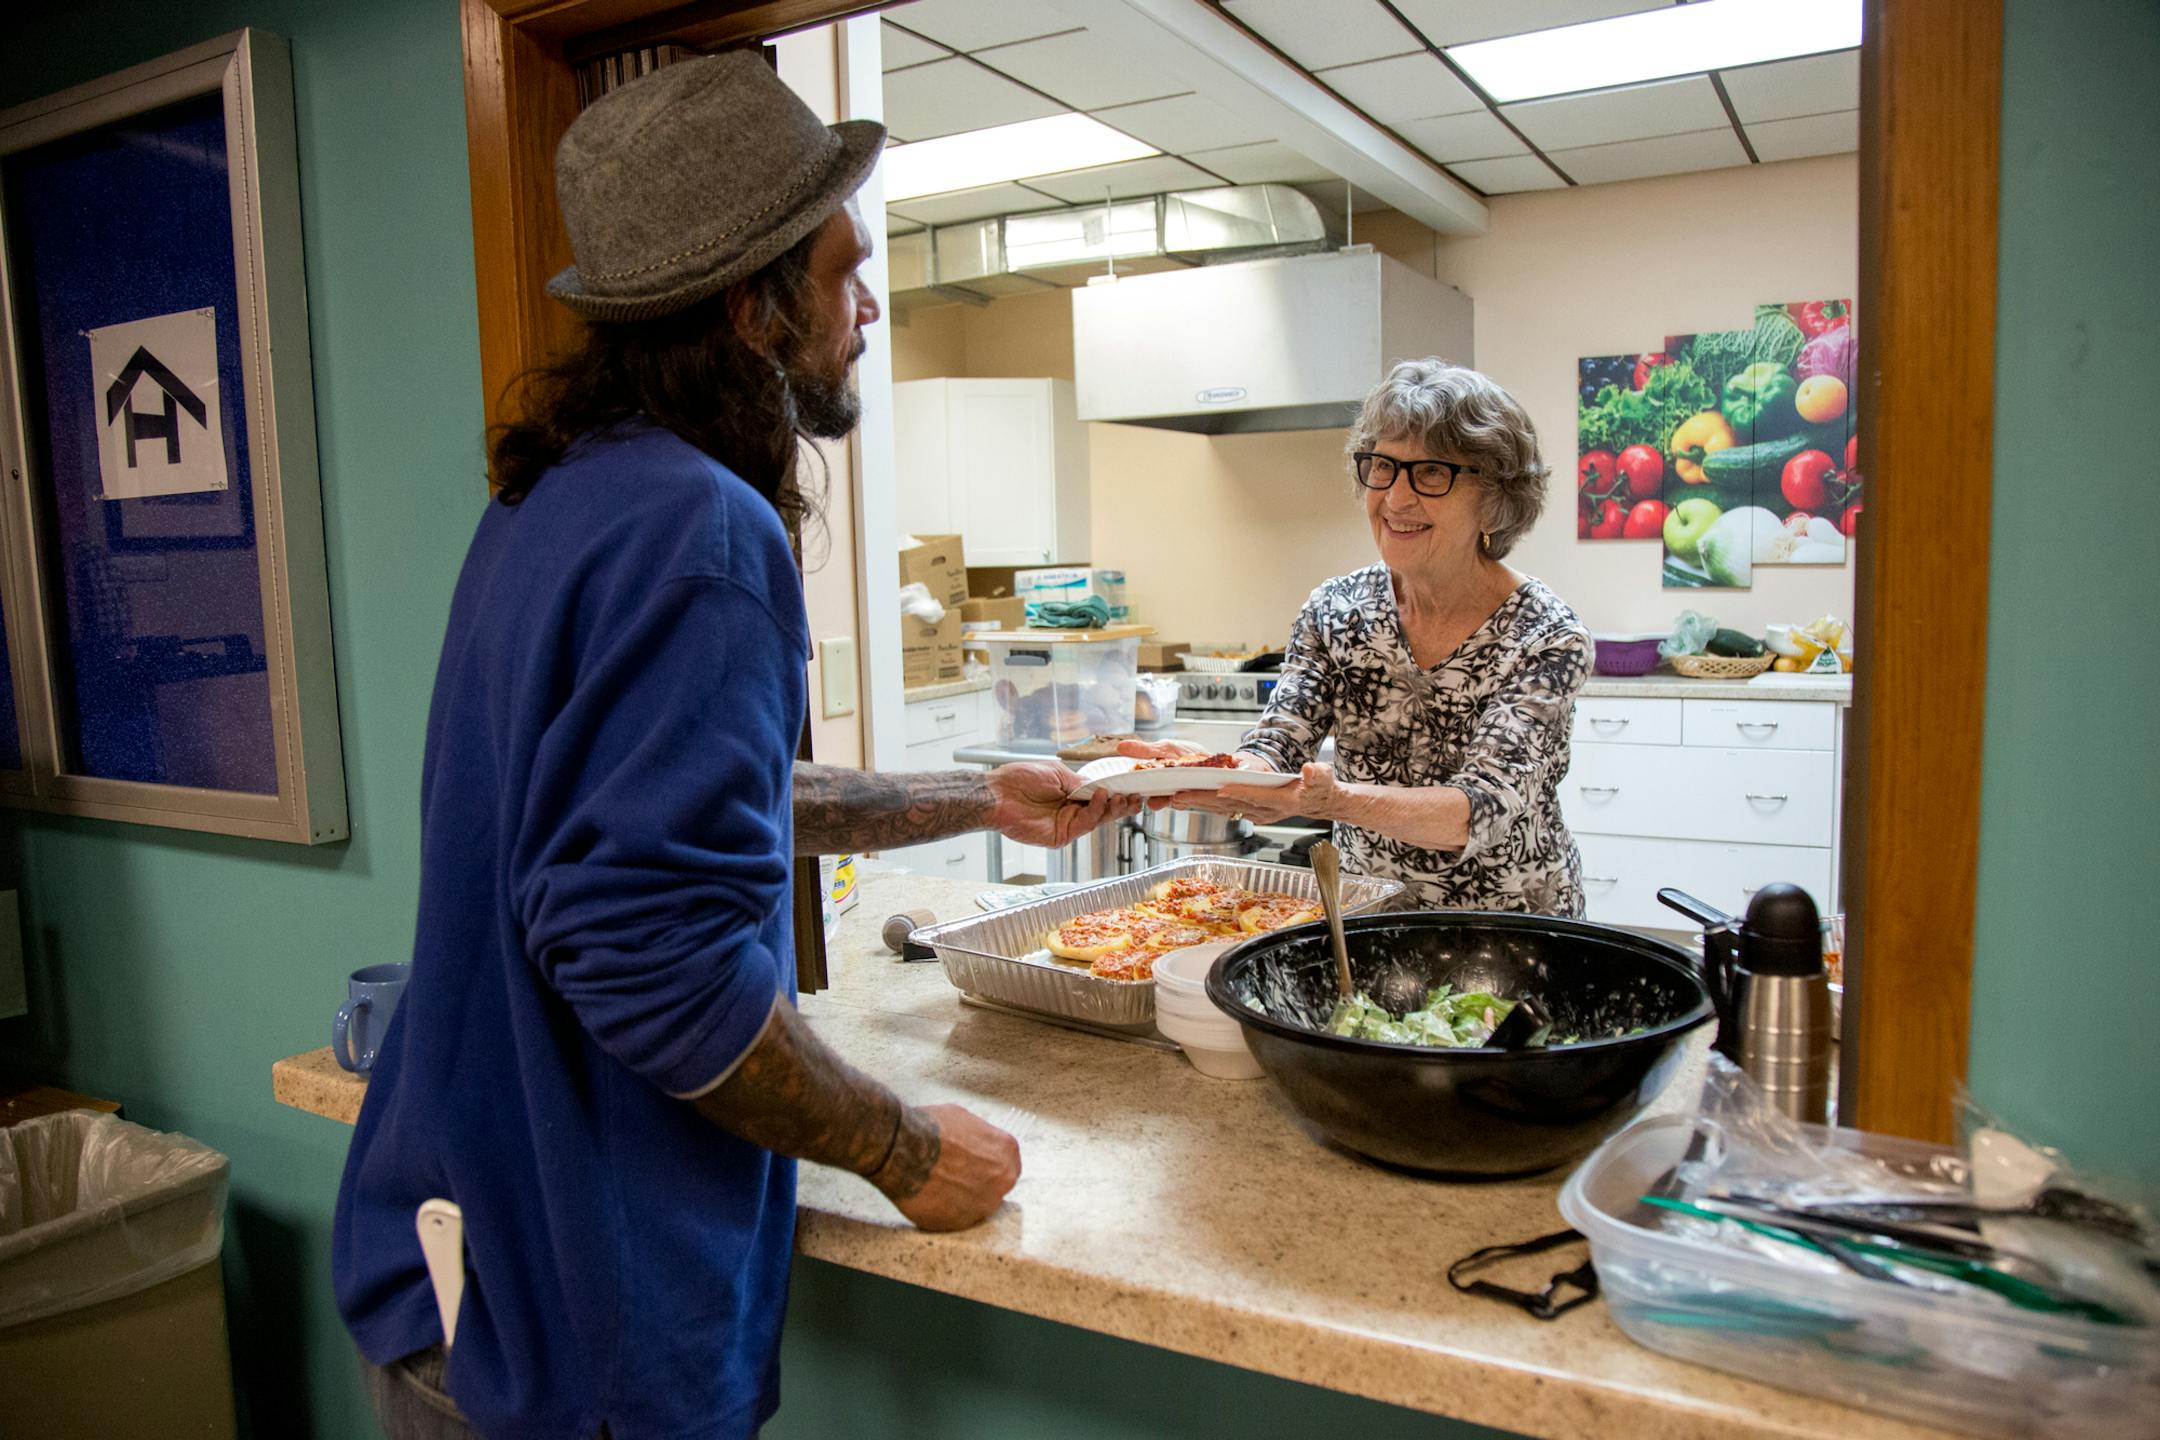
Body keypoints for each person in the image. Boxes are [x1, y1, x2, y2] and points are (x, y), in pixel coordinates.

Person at [334, 54, 1131, 1440]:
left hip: (457, 1275)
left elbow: (680, 807)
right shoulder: (705, 535)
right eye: (843, 272)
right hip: (575, 1331)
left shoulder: (554, 501)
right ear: (751, 304)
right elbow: (646, 954)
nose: (868, 305)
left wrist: (974, 798)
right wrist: (905, 1145)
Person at [1128, 360, 1590, 915]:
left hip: (1509, 930)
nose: (1395, 499)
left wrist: (1333, 801)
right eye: (1383, 467)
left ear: (1495, 496)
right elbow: (1277, 746)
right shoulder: (1337, 610)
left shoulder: (1546, 636)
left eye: (1431, 474)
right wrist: (1217, 774)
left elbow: (1478, 810)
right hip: (1365, 914)